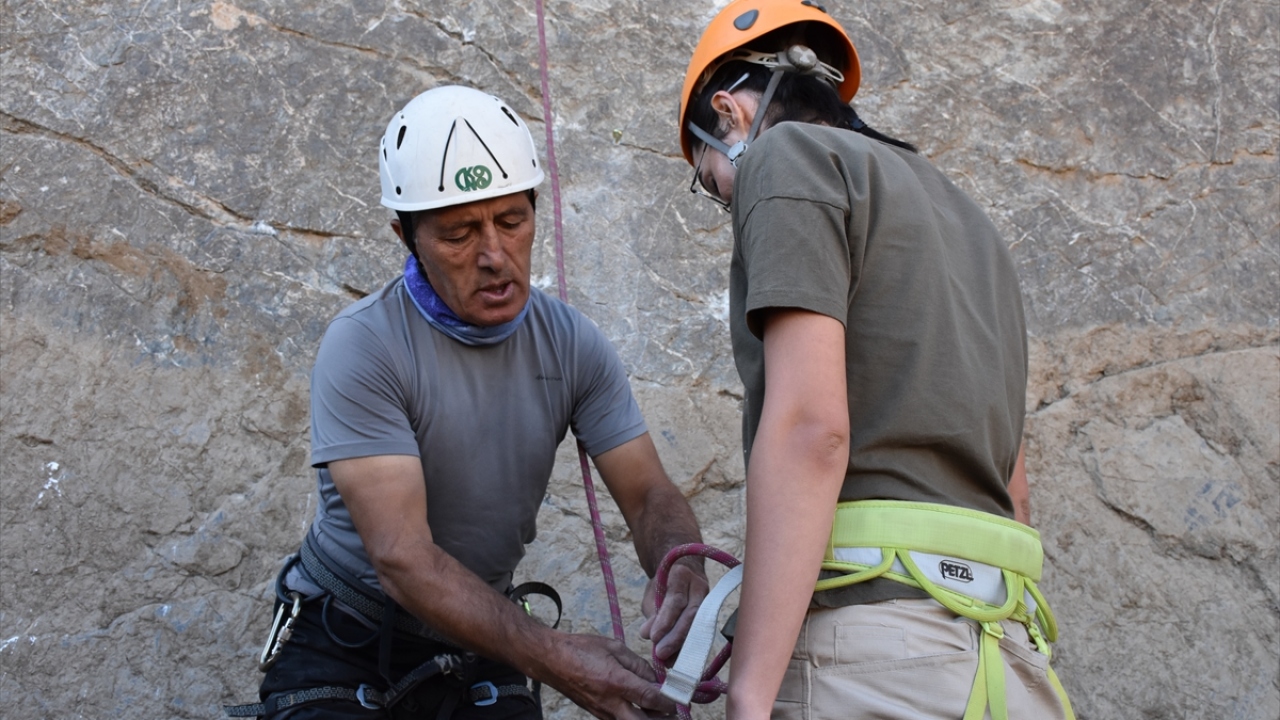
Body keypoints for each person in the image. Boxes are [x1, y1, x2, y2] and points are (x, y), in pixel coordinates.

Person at [234, 85, 708, 720]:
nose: (494, 256)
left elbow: (649, 493)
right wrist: (557, 658)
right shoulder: (365, 346)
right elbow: (402, 558)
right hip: (346, 641)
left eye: (512, 221)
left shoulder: (571, 344)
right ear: (407, 236)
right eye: (459, 233)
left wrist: (681, 565)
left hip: (481, 643)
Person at [671, 2, 1075, 719]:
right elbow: (1011, 488)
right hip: (1004, 661)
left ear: (728, 114)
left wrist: (751, 694)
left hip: (874, 665)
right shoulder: (967, 219)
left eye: (711, 184)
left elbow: (812, 430)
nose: (725, 201)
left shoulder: (782, 157)